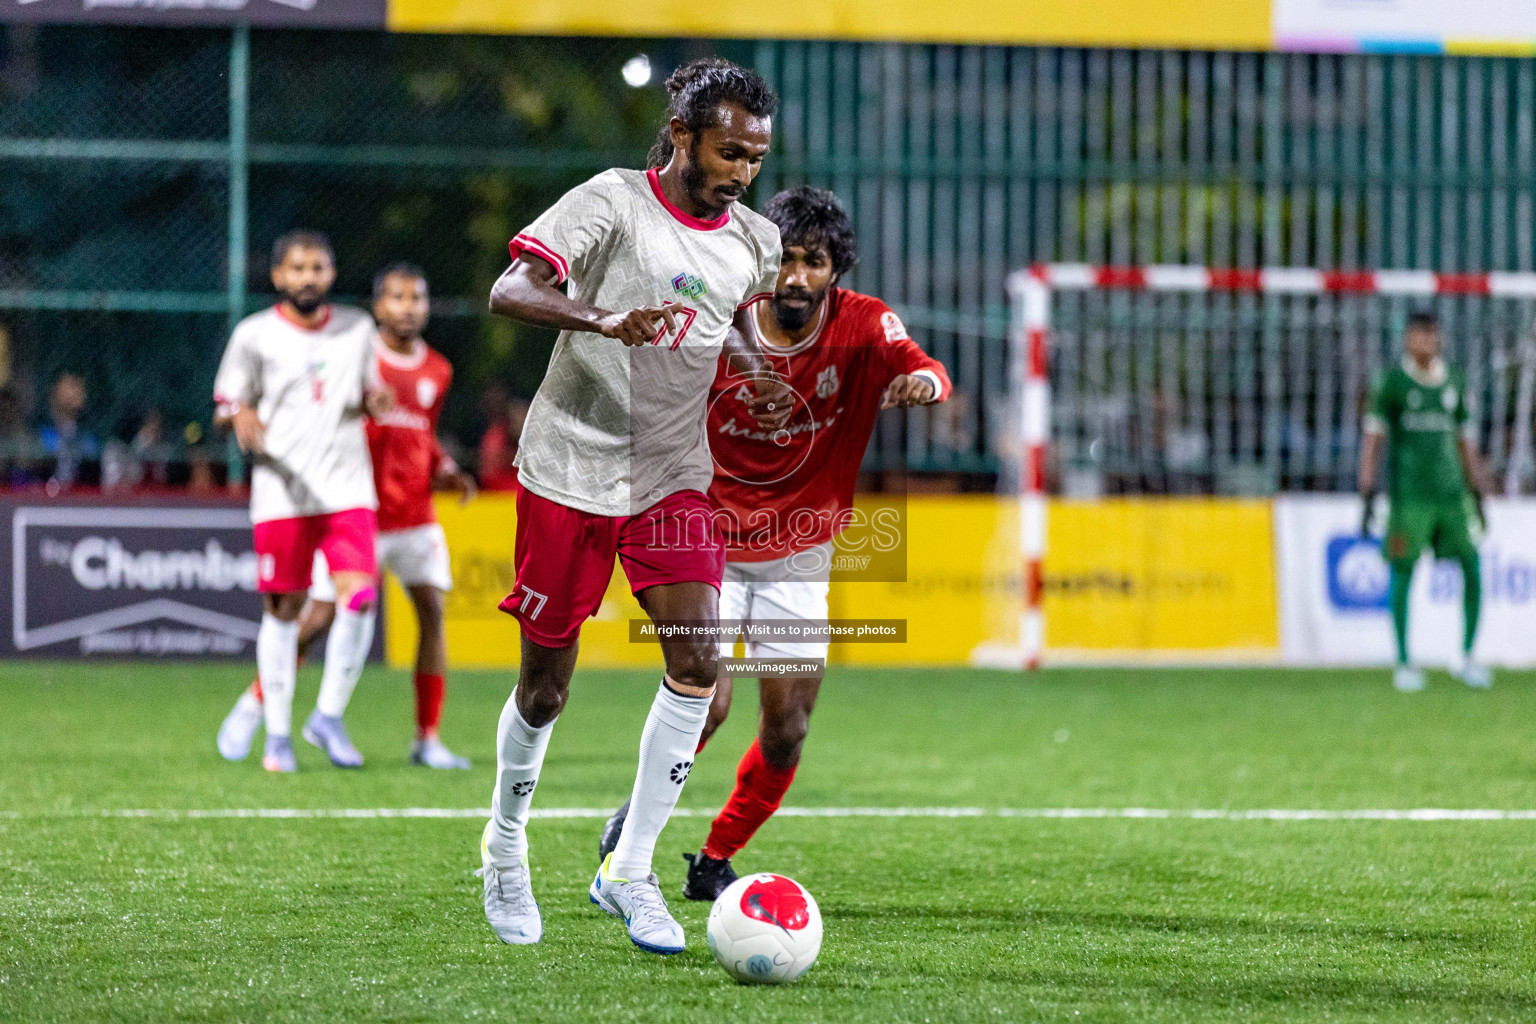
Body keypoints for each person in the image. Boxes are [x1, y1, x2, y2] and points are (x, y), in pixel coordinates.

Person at [477, 57, 790, 954]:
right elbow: (510, 289)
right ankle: (504, 844)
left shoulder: (755, 241)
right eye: (729, 151)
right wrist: (601, 320)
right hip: (570, 467)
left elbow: (727, 313)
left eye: (756, 159)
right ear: (683, 136)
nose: (741, 172)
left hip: (672, 473)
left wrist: (758, 372)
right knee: (546, 687)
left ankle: (630, 868)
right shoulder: (613, 201)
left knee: (699, 663)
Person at [597, 186, 952, 898]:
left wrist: (921, 383)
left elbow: (927, 368)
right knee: (709, 698)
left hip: (799, 550)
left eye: (813, 262)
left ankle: (714, 858)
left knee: (787, 726)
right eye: (784, 259)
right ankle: (634, 825)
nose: (796, 276)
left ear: (836, 269)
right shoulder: (720, 320)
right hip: (708, 537)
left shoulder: (864, 326)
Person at [217, 263, 476, 770]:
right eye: (397, 298)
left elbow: (420, 434)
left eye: (417, 298)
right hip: (352, 508)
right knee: (314, 620)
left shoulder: (437, 369)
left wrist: (444, 466)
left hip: (414, 513)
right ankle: (256, 704)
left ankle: (427, 738)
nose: (408, 307)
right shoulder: (349, 349)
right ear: (378, 307)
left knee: (432, 612)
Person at [213, 230, 390, 773]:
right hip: (281, 493)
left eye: (317, 267)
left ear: (331, 275)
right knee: (284, 612)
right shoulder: (254, 335)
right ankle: (278, 735)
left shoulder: (358, 328)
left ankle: (329, 715)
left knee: (359, 598)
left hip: (345, 489)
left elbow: (368, 390)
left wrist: (374, 399)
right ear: (278, 277)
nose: (307, 276)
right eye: (297, 268)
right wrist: (237, 414)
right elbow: (225, 400)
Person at [1358, 310, 1493, 692]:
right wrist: (1367, 490)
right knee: (1403, 571)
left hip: (1452, 496)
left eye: (1432, 335)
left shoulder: (1454, 381)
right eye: (1420, 335)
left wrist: (1478, 491)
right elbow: (1373, 438)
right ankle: (1403, 661)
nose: (1427, 342)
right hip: (1409, 499)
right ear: (1407, 339)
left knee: (1472, 564)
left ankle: (1466, 656)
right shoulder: (1392, 383)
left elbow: (1465, 441)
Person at [38, 372, 99, 489]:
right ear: (55, 389)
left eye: (82, 386)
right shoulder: (38, 429)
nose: (79, 391)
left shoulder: (88, 434)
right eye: (73, 384)